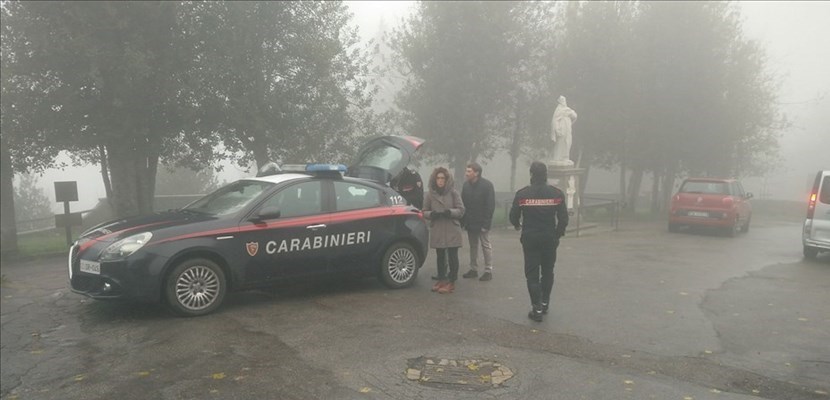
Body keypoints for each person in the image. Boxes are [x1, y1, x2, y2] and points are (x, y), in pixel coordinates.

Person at [509, 161, 569, 322]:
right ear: (546, 175)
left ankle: (536, 308)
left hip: (530, 238)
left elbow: (513, 216)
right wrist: (557, 234)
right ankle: (545, 302)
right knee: (548, 271)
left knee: (532, 275)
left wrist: (517, 225)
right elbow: (563, 218)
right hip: (549, 238)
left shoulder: (522, 194)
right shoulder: (556, 194)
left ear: (531, 175)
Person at [423, 167, 465, 294]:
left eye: (442, 178)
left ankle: (451, 282)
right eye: (438, 178)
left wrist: (450, 212)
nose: (440, 181)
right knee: (440, 256)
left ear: (446, 180)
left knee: (453, 256)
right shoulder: (429, 194)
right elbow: (424, 211)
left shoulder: (453, 193)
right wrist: (431, 214)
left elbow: (461, 210)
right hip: (438, 228)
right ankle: (441, 279)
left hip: (452, 228)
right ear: (434, 179)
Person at [460, 162, 496, 281]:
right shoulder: (465, 186)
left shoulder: (487, 186)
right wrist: (463, 221)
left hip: (482, 222)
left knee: (485, 245)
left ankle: (488, 270)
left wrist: (486, 223)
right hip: (470, 221)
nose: (466, 174)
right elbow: (463, 204)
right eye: (466, 171)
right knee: (473, 246)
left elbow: (490, 205)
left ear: (477, 173)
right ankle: (473, 269)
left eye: (469, 171)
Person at [551, 95, 578, 166]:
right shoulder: (559, 109)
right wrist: (557, 129)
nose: (564, 102)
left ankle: (565, 157)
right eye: (562, 100)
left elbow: (575, 116)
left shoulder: (567, 109)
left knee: (568, 141)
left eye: (564, 100)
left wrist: (571, 113)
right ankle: (558, 157)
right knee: (561, 142)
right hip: (562, 128)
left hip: (567, 128)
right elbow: (555, 120)